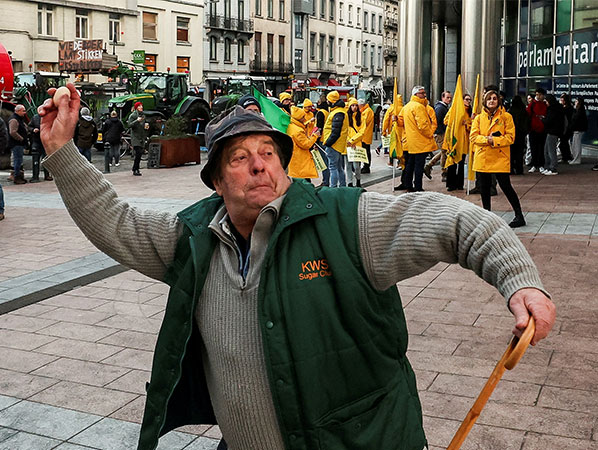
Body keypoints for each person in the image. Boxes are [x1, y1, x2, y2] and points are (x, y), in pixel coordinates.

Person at [37, 83, 556, 450]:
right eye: (239, 158)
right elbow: (115, 220)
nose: (259, 163)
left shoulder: (347, 220)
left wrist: (520, 282)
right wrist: (60, 148)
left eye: (268, 152)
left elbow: (458, 221)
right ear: (217, 182)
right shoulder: (193, 240)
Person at [470, 88, 526, 228]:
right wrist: (487, 139)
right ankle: (486, 214)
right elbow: (473, 137)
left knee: (506, 186)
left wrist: (495, 141)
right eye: (489, 99)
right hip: (483, 156)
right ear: (485, 101)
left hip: (500, 156)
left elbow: (510, 137)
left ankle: (519, 215)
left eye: (494, 98)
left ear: (498, 100)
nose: (492, 101)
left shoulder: (506, 117)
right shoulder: (478, 118)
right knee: (484, 187)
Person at [398, 86, 437, 192]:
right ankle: (418, 187)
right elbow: (423, 125)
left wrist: (396, 120)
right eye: (422, 93)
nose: (424, 94)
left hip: (410, 141)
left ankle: (408, 184)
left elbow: (400, 121)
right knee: (418, 166)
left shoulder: (406, 107)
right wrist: (430, 134)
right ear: (416, 94)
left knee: (410, 164)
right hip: (420, 141)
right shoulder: (419, 107)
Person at [322, 90, 348, 187]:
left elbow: (335, 132)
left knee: (333, 167)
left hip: (334, 144)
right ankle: (342, 186)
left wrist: (328, 143)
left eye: (328, 100)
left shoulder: (338, 113)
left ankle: (333, 188)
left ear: (332, 101)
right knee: (339, 167)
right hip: (338, 144)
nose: (327, 102)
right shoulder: (339, 111)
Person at [286, 105, 320, 181]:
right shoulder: (298, 131)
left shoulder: (291, 127)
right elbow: (306, 144)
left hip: (295, 161)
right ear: (298, 118)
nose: (305, 119)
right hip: (300, 162)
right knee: (305, 185)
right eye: (303, 117)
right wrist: (315, 136)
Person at [424, 90, 452, 180]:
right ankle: (444, 172)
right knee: (445, 152)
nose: (449, 99)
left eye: (450, 98)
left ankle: (429, 165)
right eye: (447, 97)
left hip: (441, 132)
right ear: (442, 98)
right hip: (440, 133)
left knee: (444, 151)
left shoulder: (442, 107)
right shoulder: (440, 108)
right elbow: (437, 121)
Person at [344, 98, 366, 187]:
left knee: (357, 166)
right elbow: (344, 131)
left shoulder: (361, 117)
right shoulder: (346, 117)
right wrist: (348, 141)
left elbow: (362, 132)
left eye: (356, 105)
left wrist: (352, 140)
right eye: (352, 105)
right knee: (348, 165)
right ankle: (349, 182)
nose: (354, 107)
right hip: (347, 145)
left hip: (356, 145)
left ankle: (358, 180)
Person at [526, 88, 547, 173]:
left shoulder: (545, 104)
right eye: (537, 94)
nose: (538, 96)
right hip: (533, 129)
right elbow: (528, 114)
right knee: (533, 148)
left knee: (541, 148)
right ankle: (534, 164)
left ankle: (541, 164)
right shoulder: (532, 104)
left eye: (539, 95)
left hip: (542, 129)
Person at [541, 94, 563, 176]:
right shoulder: (556, 108)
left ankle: (553, 167)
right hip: (553, 131)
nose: (546, 103)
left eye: (546, 101)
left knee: (550, 151)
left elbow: (549, 120)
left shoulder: (552, 110)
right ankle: (549, 167)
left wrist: (543, 119)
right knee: (547, 150)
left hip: (552, 131)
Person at [8, 104, 29, 184]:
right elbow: (12, 132)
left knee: (19, 160)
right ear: (18, 111)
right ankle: (17, 177)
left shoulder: (19, 119)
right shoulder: (14, 120)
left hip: (18, 144)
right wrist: (21, 139)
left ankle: (19, 177)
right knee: (17, 161)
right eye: (23, 111)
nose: (25, 112)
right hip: (16, 144)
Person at [508, 96, 529, 175]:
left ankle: (511, 169)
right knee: (519, 154)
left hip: (512, 135)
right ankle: (519, 169)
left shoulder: (510, 112)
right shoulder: (523, 111)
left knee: (511, 153)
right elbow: (526, 123)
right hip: (520, 135)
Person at [28, 112, 51, 182]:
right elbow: (29, 126)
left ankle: (47, 175)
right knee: (35, 159)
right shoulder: (35, 117)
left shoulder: (49, 117)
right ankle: (35, 176)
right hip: (37, 140)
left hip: (45, 142)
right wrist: (33, 130)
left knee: (46, 159)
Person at [127, 101, 148, 176]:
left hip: (141, 137)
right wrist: (137, 121)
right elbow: (129, 125)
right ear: (136, 108)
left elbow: (143, 125)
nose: (141, 107)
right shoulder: (133, 115)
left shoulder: (143, 115)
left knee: (139, 154)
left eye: (141, 106)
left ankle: (136, 168)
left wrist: (146, 126)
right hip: (135, 137)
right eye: (139, 106)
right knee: (138, 152)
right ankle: (135, 169)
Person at [315, 94, 331, 186]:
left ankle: (326, 181)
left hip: (322, 139)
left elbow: (319, 127)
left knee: (324, 162)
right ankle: (327, 180)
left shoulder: (320, 113)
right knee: (328, 161)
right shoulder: (327, 111)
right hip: (327, 137)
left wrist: (315, 141)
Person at [569, 97, 587, 165]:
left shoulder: (580, 111)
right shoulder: (578, 110)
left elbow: (575, 119)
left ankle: (577, 159)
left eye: (576, 101)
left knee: (577, 144)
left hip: (578, 129)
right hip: (577, 129)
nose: (575, 103)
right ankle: (575, 158)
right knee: (575, 144)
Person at [358, 98, 374, 174]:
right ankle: (365, 166)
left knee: (366, 151)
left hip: (366, 134)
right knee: (365, 151)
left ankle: (366, 167)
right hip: (364, 134)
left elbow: (364, 122)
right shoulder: (365, 111)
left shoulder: (367, 111)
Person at [558, 94, 574, 163]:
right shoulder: (564, 107)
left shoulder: (568, 108)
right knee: (563, 143)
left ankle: (567, 157)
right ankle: (565, 156)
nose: (561, 101)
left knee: (563, 143)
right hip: (564, 127)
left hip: (567, 128)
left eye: (562, 100)